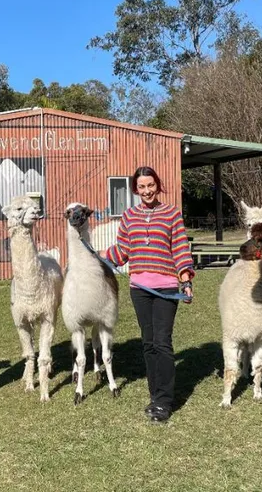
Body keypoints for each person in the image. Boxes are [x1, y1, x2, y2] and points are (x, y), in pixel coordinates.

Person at [102, 166, 194, 424]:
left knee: (162, 342)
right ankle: (155, 395)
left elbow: (179, 249)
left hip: (165, 288)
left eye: (150, 185)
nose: (147, 191)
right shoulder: (129, 216)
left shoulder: (171, 214)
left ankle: (164, 401)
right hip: (139, 289)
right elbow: (122, 251)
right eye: (141, 187)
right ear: (136, 190)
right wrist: (97, 255)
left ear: (158, 185)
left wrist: (185, 281)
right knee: (148, 342)